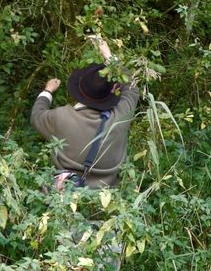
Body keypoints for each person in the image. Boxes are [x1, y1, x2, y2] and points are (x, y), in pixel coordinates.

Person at [31, 37, 139, 191]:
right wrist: (108, 55)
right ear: (111, 94)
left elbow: (36, 115)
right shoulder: (120, 116)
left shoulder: (61, 117)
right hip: (105, 203)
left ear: (78, 90)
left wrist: (47, 91)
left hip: (62, 200)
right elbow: (132, 87)